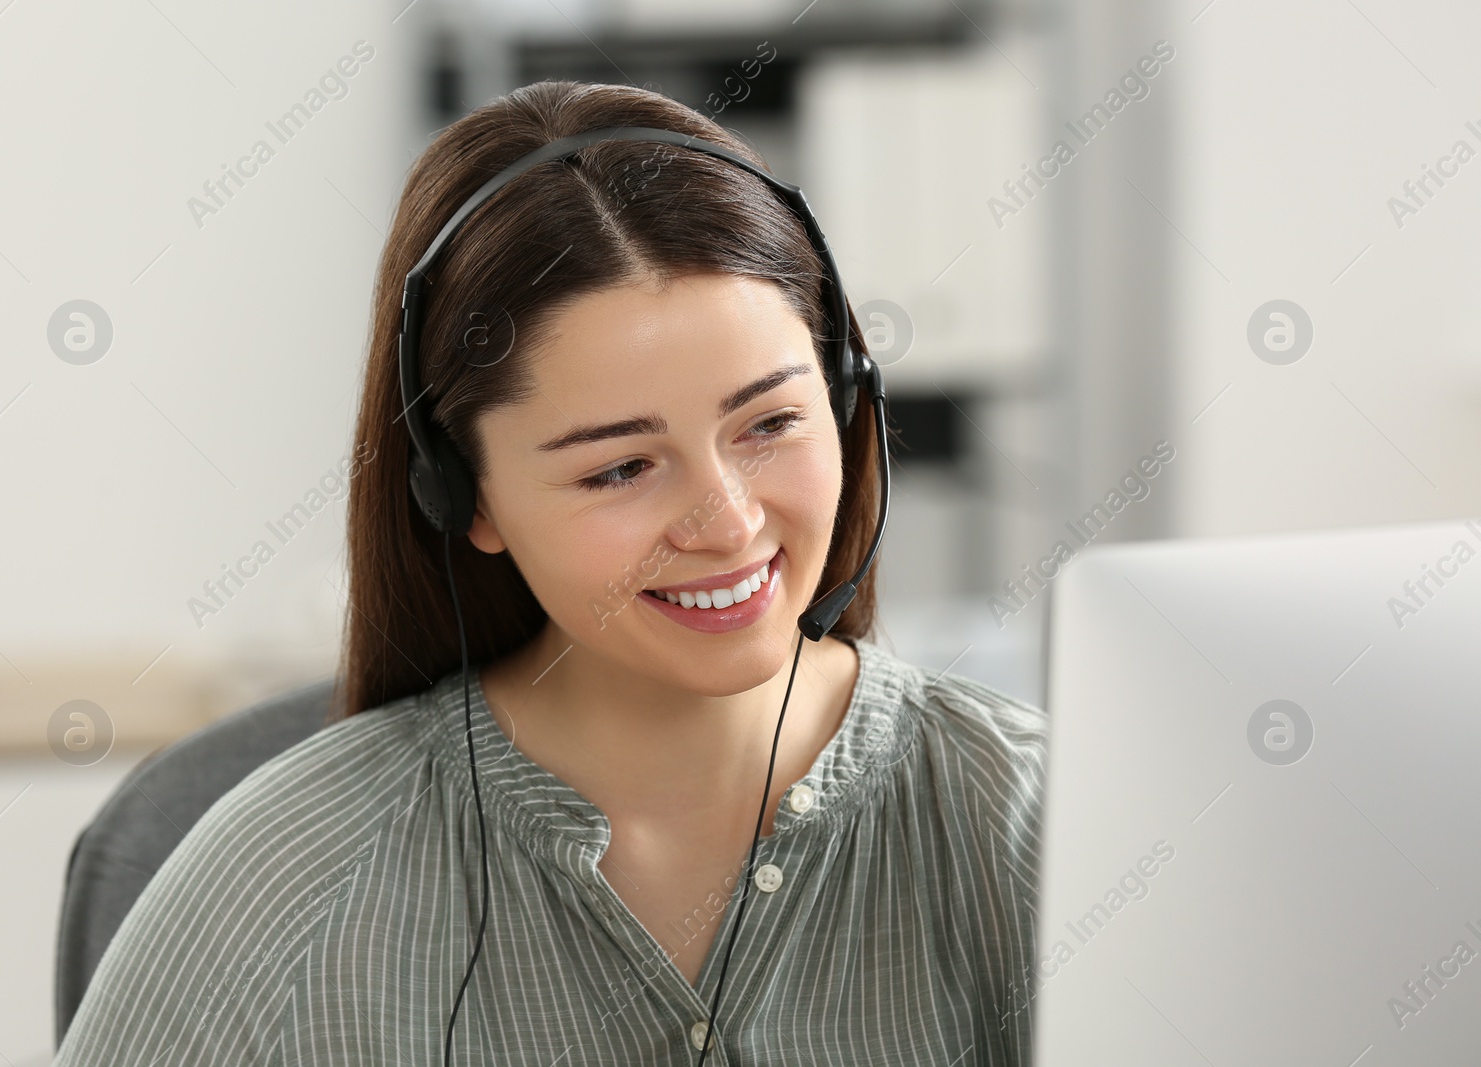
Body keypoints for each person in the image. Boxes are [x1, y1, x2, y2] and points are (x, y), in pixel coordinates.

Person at [52, 79, 1047, 1065]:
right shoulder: (283, 877)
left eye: (770, 421)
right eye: (619, 466)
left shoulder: (1035, 824)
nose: (731, 522)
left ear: (841, 398)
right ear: (463, 494)